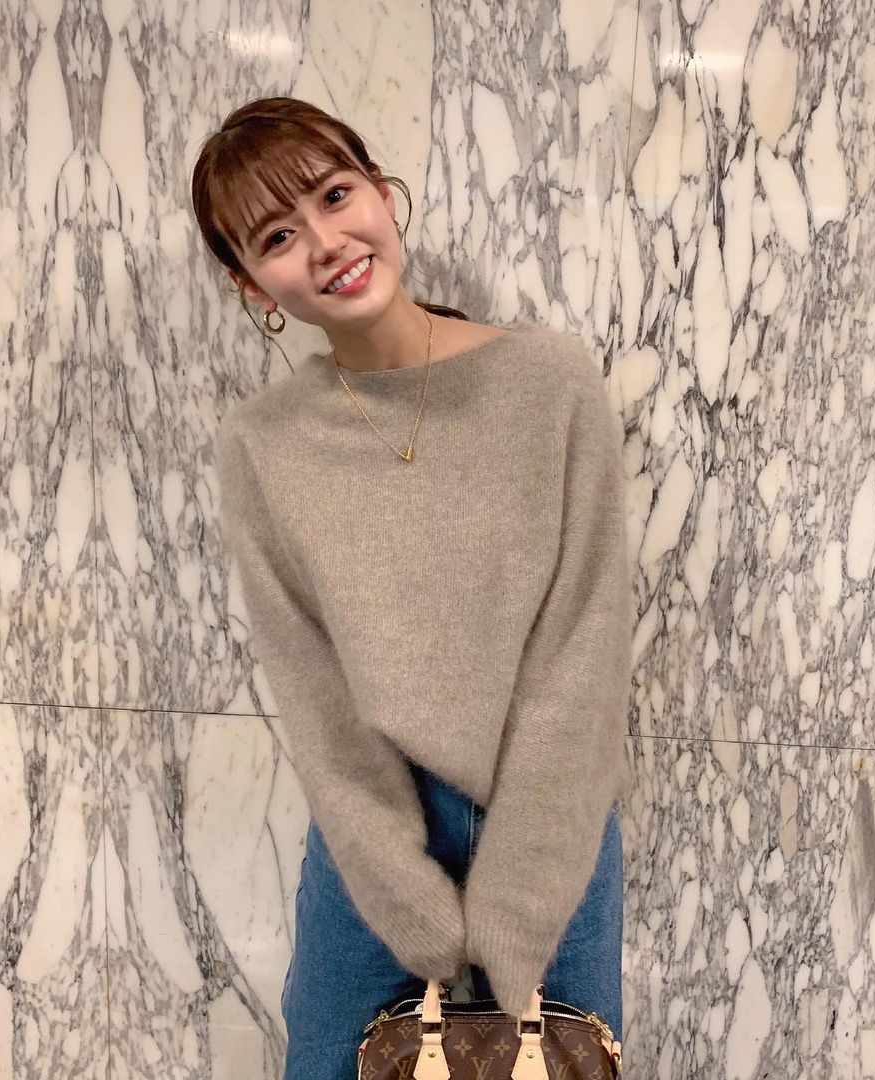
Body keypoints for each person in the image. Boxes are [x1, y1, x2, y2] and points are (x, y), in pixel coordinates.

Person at [190, 96, 633, 1080]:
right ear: (252, 284)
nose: (325, 242)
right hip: (371, 845)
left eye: (334, 195)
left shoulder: (549, 382)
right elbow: (313, 687)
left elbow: (586, 638)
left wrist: (522, 890)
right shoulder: (264, 445)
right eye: (276, 236)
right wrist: (399, 885)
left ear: (382, 193)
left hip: (555, 821)